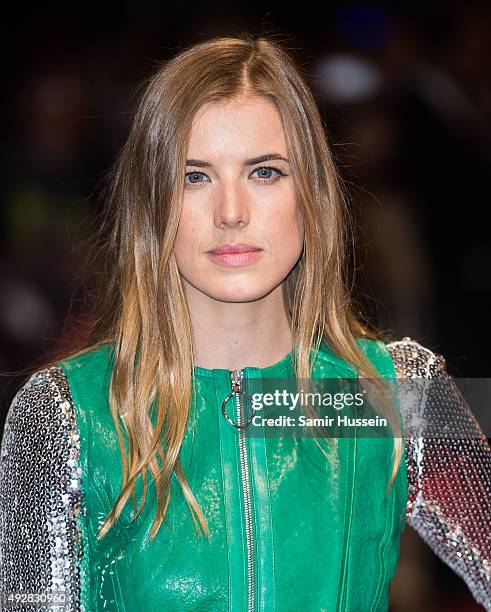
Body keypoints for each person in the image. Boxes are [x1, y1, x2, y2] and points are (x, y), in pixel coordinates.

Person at [0, 35, 489, 612]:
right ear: (152, 203)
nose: (231, 212)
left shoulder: (396, 394)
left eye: (264, 172)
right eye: (195, 176)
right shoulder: (64, 413)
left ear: (312, 193)